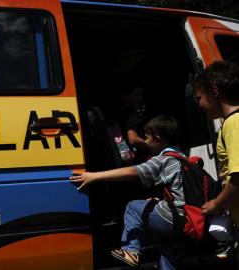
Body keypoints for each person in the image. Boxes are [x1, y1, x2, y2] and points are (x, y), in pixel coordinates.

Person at [70, 115, 185, 269]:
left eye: (147, 136)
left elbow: (133, 171)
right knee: (168, 255)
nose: (145, 139)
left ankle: (131, 251)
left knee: (133, 207)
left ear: (157, 139)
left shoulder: (163, 160)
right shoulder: (182, 157)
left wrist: (94, 176)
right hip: (186, 217)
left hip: (173, 218)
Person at [192, 61, 239, 246]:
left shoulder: (233, 124)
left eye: (198, 98)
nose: (199, 105)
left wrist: (216, 203)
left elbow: (238, 176)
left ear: (215, 92)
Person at [117, 86, 150, 161]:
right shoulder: (130, 113)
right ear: (126, 97)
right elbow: (133, 139)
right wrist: (152, 145)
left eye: (141, 96)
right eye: (136, 96)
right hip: (136, 158)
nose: (140, 98)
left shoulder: (122, 111)